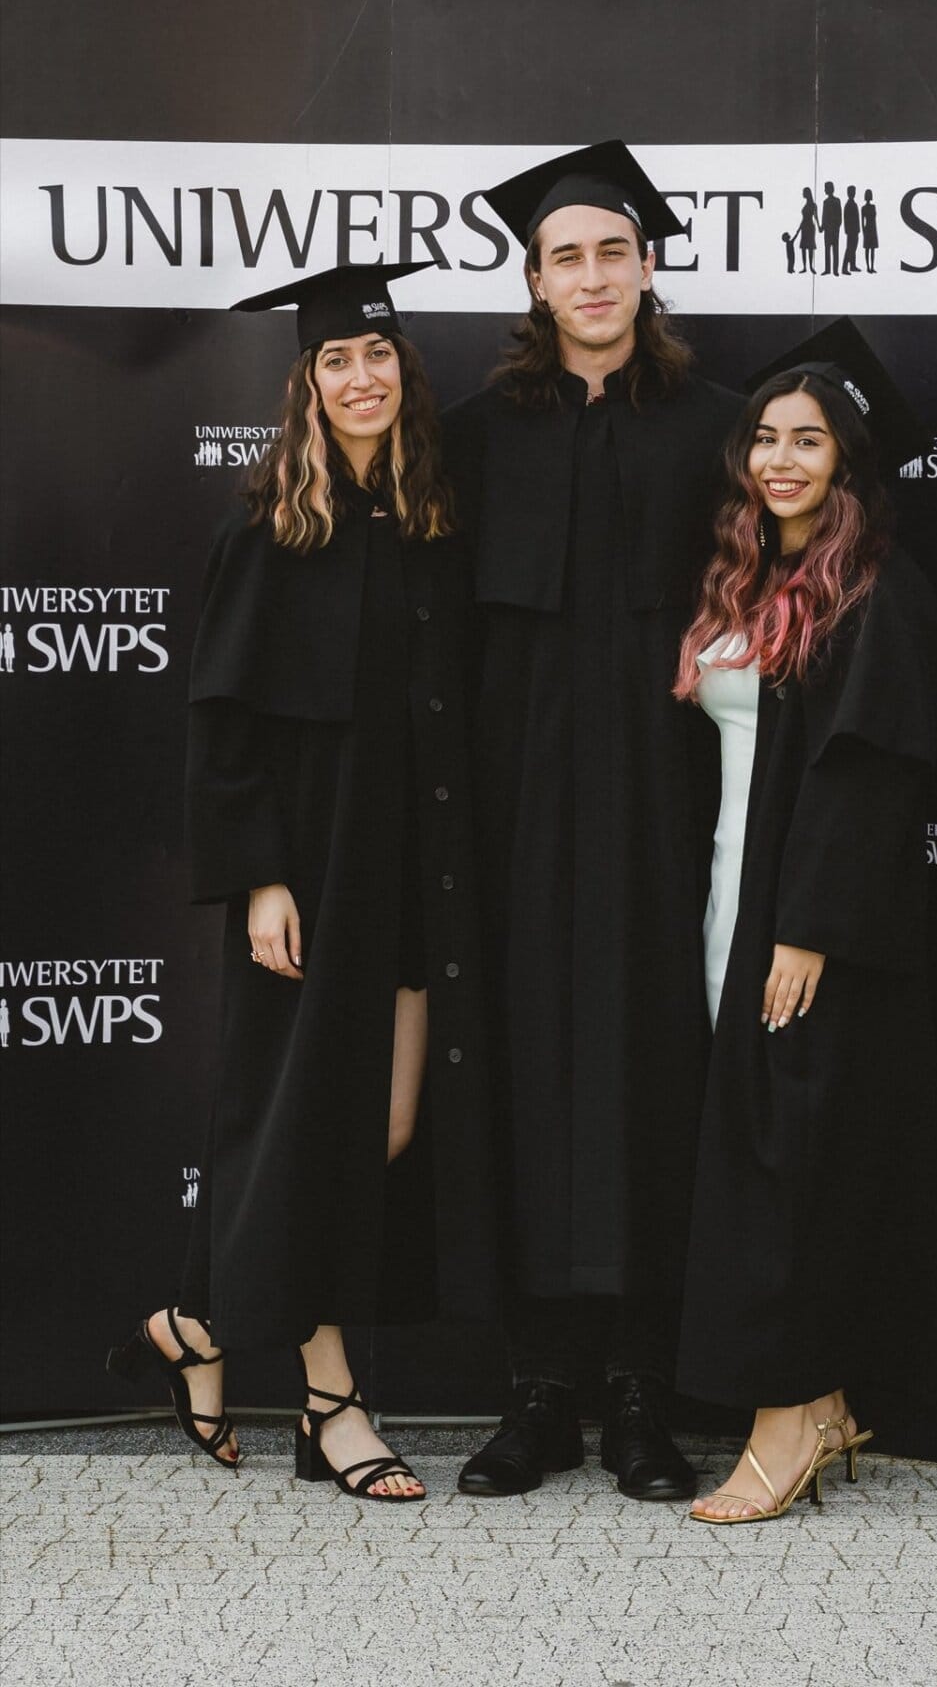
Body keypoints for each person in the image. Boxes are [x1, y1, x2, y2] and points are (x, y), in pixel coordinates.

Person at [108, 263, 491, 1502]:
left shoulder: (436, 516)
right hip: (313, 873)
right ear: (307, 386)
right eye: (336, 362)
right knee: (306, 1127)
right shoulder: (270, 525)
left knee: (381, 1126)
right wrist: (261, 879)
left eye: (378, 358)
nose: (361, 378)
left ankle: (195, 1327)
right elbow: (221, 723)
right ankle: (332, 1400)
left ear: (404, 375)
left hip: (418, 869)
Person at [442, 141, 742, 1501]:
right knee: (524, 1068)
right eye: (567, 256)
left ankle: (640, 1391)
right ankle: (539, 1390)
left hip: (668, 808)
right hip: (514, 810)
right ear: (534, 279)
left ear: (650, 265)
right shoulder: (476, 431)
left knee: (651, 1072)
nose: (593, 276)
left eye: (612, 251)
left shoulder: (720, 425)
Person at [673, 318, 937, 1524]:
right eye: (766, 438)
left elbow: (864, 776)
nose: (781, 460)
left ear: (849, 462)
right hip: (735, 892)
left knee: (794, 1166)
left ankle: (782, 1426)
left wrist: (805, 928)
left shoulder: (877, 594)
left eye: (810, 441)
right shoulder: (749, 575)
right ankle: (823, 1400)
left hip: (806, 924)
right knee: (763, 1151)